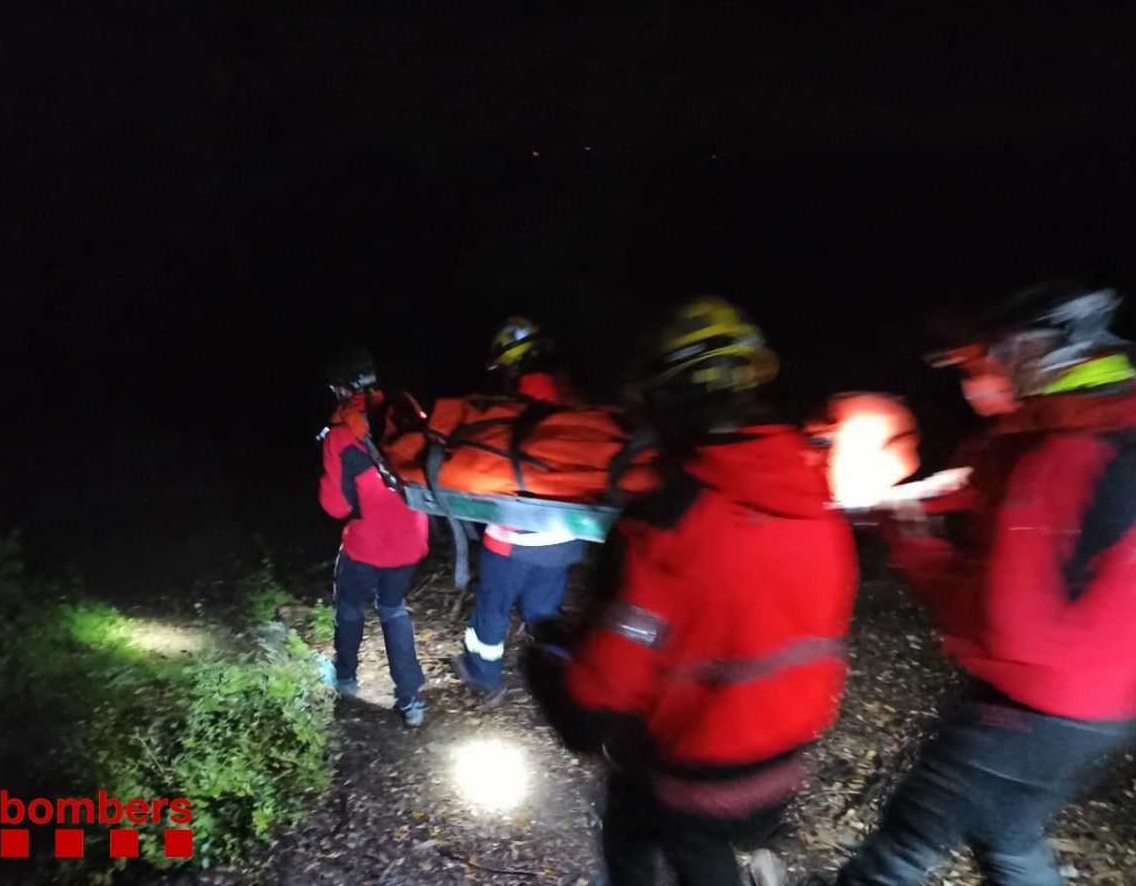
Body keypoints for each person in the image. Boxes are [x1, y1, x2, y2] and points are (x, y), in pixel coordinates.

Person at [836, 283, 1136, 885]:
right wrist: (925, 492)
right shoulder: (1132, 410)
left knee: (906, 842)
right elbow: (999, 459)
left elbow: (1002, 622)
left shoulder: (1057, 463)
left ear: (1032, 354)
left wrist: (915, 544)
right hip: (1122, 699)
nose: (977, 383)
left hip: (1039, 701)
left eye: (985, 363)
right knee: (1008, 833)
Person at [533, 297, 859, 886]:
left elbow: (601, 695)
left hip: (702, 774)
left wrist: (548, 660)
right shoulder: (817, 502)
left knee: (645, 841)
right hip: (789, 759)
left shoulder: (670, 521)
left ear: (671, 403)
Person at [450, 316, 586, 703]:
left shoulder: (505, 408)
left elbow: (474, 467)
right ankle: (560, 683)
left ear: (510, 365)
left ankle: (484, 675)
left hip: (512, 541)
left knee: (491, 610)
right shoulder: (573, 404)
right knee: (544, 615)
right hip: (563, 541)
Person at [319, 349, 429, 727]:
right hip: (412, 541)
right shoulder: (407, 411)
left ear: (344, 389)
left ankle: (346, 679)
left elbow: (334, 506)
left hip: (366, 546)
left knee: (350, 608)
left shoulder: (340, 437)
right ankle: (411, 700)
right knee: (394, 608)